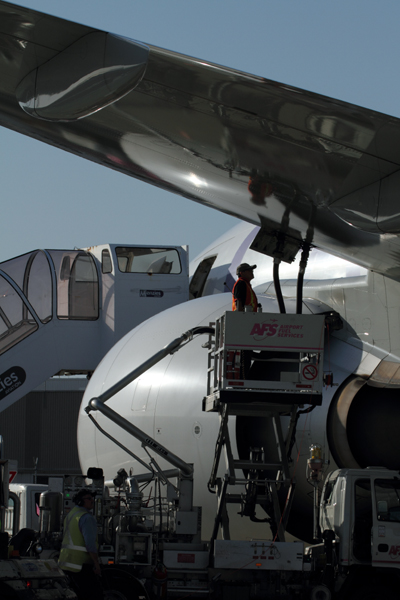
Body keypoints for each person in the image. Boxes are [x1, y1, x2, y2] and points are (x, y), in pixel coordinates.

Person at [58, 489, 104, 600]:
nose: (92, 501)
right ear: (80, 501)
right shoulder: (86, 518)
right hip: (80, 566)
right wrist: (97, 564)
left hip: (66, 563)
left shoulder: (71, 515)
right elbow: (90, 544)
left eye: (92, 498)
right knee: (94, 595)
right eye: (89, 498)